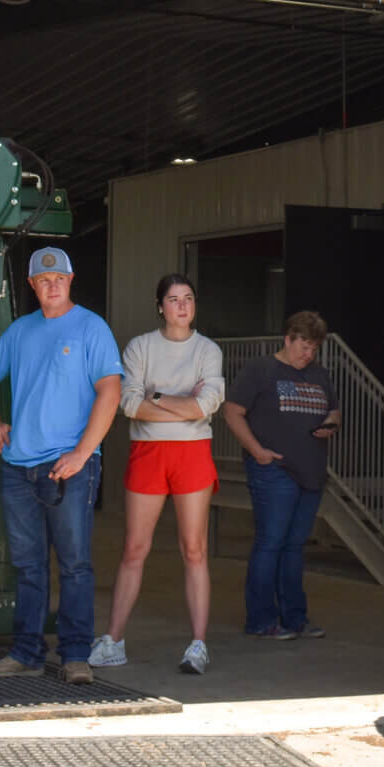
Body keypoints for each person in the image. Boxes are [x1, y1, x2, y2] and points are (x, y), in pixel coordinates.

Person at [0, 246, 123, 684]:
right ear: (33, 285)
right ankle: (26, 653)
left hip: (70, 469)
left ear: (71, 280)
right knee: (29, 566)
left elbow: (110, 393)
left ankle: (75, 655)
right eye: (44, 279)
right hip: (19, 466)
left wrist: (82, 453)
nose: (52, 285)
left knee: (75, 564)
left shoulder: (91, 327)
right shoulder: (21, 331)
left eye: (59, 278)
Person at [90, 274, 225, 675]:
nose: (181, 306)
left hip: (193, 452)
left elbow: (206, 406)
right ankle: (113, 640)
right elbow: (129, 405)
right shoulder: (140, 347)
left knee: (194, 549)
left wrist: (159, 397)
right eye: (173, 299)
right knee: (134, 548)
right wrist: (183, 402)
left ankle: (198, 645)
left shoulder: (208, 350)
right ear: (159, 306)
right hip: (148, 452)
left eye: (188, 298)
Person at [224, 310, 339, 641]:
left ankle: (294, 618)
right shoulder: (261, 370)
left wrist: (331, 423)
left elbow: (333, 407)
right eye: (303, 346)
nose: (308, 354)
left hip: (311, 471)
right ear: (288, 339)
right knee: (270, 543)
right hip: (273, 469)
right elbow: (232, 411)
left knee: (293, 546)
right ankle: (261, 619)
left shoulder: (319, 374)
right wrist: (257, 450)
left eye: (314, 348)